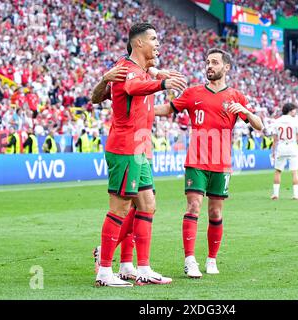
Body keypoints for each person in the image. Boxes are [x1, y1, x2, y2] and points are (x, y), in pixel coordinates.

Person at [155, 48, 263, 278]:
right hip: (196, 160)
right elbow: (167, 109)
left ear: (226, 68)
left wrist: (244, 110)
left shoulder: (236, 97)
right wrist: (141, 111)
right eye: (207, 62)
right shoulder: (193, 93)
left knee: (215, 212)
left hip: (221, 163)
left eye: (214, 62)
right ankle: (190, 260)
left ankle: (212, 259)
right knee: (193, 206)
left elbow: (259, 125)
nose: (209, 66)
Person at [94, 22, 186, 287]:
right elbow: (133, 88)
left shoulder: (142, 69)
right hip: (125, 147)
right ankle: (103, 271)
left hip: (141, 148)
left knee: (147, 205)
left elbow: (143, 76)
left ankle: (140, 267)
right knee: (120, 208)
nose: (158, 43)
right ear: (139, 43)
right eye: (154, 39)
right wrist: (162, 82)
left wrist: (157, 73)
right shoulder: (126, 70)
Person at [271, 103, 298, 201]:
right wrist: (294, 142)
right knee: (294, 172)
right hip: (292, 146)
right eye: (294, 110)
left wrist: (273, 151)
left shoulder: (277, 121)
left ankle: (276, 194)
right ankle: (295, 195)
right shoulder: (295, 121)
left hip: (281, 146)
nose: (295, 111)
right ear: (290, 110)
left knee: (278, 171)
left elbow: (275, 139)